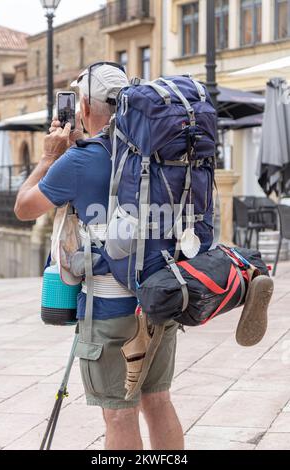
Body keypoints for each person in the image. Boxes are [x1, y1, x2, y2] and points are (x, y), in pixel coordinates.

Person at [14, 62, 184, 451]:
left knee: (119, 412)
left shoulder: (78, 160)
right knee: (157, 401)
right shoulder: (156, 153)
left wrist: (48, 158)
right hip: (161, 298)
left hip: (110, 311)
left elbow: (25, 207)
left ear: (85, 108)